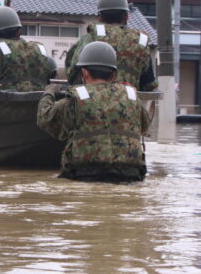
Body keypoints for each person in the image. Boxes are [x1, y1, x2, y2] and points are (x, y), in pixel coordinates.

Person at [37, 41, 151, 182]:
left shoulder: (77, 98)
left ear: (84, 72)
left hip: (86, 173)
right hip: (131, 173)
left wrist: (49, 92)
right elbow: (145, 126)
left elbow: (45, 118)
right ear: (114, 74)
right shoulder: (131, 96)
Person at [66, 0, 157, 91]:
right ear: (127, 16)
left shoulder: (91, 37)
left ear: (100, 17)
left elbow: (72, 73)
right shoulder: (141, 41)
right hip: (129, 104)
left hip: (91, 103)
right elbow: (149, 84)